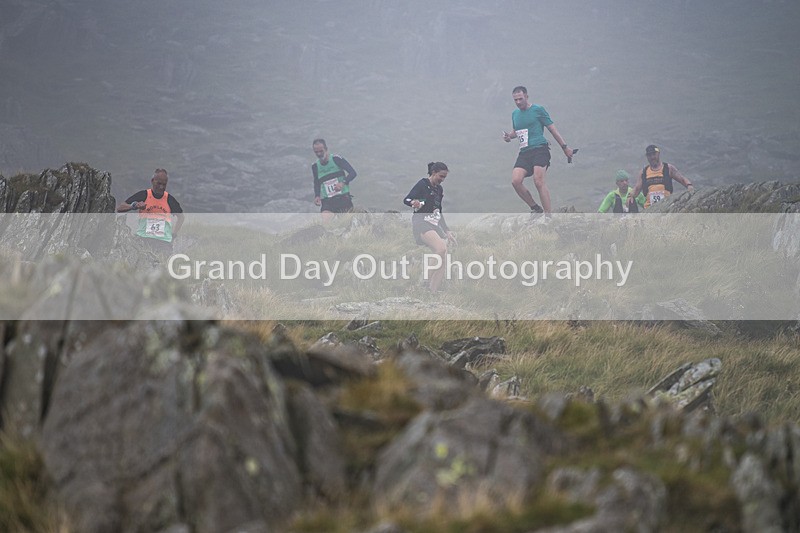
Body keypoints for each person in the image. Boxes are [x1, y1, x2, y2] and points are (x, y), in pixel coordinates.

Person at [502, 86, 575, 214]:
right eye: (515, 100)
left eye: (520, 99)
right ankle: (535, 208)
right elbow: (516, 131)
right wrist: (509, 136)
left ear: (526, 97)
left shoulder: (538, 110)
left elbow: (552, 129)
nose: (518, 102)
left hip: (540, 149)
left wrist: (565, 147)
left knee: (538, 181)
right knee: (516, 181)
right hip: (524, 152)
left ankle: (548, 216)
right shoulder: (515, 114)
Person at [403, 162, 456, 292]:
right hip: (421, 223)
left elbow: (439, 211)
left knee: (443, 258)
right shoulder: (422, 184)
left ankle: (432, 292)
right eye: (441, 176)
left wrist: (447, 231)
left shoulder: (439, 189)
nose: (442, 180)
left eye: (444, 178)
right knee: (441, 248)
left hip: (434, 224)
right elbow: (407, 199)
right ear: (433, 173)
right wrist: (413, 203)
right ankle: (424, 281)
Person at [117, 168, 184, 254]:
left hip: (163, 243)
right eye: (159, 183)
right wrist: (134, 205)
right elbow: (120, 208)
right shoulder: (144, 195)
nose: (161, 187)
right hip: (144, 239)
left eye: (164, 184)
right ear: (152, 181)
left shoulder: (170, 200)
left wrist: (174, 234)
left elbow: (181, 217)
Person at [628, 145, 694, 209]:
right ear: (647, 157)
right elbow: (637, 188)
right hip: (649, 209)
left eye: (654, 154)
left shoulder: (668, 168)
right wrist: (630, 196)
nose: (652, 157)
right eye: (649, 155)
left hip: (667, 207)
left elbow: (682, 179)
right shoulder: (643, 172)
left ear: (658, 154)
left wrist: (689, 185)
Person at [311, 138, 357, 221]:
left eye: (321, 151)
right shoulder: (315, 166)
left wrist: (342, 183)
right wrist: (317, 195)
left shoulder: (336, 159)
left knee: (346, 224)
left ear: (326, 149)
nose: (319, 154)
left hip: (343, 198)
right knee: (326, 222)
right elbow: (317, 182)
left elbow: (353, 173)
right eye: (316, 152)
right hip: (328, 201)